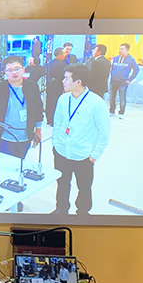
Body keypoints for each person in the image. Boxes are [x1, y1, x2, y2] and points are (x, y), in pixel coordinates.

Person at [51, 64, 110, 216]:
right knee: (62, 183)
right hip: (62, 151)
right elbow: (57, 122)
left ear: (78, 82)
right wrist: (56, 143)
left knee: (84, 187)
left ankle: (83, 213)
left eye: (67, 78)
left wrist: (95, 154)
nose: (63, 81)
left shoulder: (96, 103)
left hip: (83, 154)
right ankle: (61, 210)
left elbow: (104, 132)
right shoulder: (63, 99)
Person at [0, 55, 43, 160]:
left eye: (17, 68)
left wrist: (38, 130)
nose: (14, 72)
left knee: (20, 163)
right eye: (10, 70)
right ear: (5, 72)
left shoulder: (32, 86)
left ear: (23, 69)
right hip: (4, 137)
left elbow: (38, 109)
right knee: (4, 165)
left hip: (26, 136)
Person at [109, 42, 139, 115]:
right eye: (119, 49)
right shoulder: (115, 58)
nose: (120, 50)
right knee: (111, 98)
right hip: (113, 81)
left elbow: (136, 69)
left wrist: (130, 80)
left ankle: (121, 112)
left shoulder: (131, 59)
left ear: (127, 50)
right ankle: (112, 111)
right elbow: (111, 68)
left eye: (122, 49)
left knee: (122, 98)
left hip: (123, 82)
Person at [45, 47, 67, 126]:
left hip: (49, 84)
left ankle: (48, 119)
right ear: (60, 55)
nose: (65, 55)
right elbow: (62, 76)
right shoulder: (61, 64)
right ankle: (53, 121)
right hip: (57, 85)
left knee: (49, 102)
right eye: (63, 53)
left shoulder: (49, 63)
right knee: (55, 103)